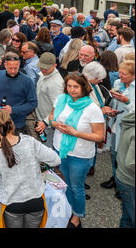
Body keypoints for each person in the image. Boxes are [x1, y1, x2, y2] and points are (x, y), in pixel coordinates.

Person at [0, 109, 61, 228]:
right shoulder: (28, 141)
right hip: (36, 201)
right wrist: (40, 167)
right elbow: (56, 159)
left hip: (13, 203)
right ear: (12, 124)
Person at [48, 73, 105, 228]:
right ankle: (65, 210)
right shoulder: (61, 99)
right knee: (62, 184)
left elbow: (100, 136)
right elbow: (52, 116)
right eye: (69, 86)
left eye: (76, 87)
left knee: (76, 187)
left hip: (80, 155)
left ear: (83, 88)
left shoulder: (92, 108)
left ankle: (77, 216)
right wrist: (55, 124)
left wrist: (75, 133)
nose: (72, 90)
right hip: (59, 149)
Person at [103, 61, 135, 196]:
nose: (120, 75)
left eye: (124, 74)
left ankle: (123, 184)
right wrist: (112, 109)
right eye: (119, 72)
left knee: (124, 156)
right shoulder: (117, 83)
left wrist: (126, 101)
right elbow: (114, 102)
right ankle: (115, 178)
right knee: (114, 152)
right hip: (115, 123)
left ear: (133, 75)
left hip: (128, 127)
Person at [0, 52, 37, 134]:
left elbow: (33, 103)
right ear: (5, 65)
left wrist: (13, 109)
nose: (13, 71)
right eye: (10, 68)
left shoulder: (27, 81)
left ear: (19, 65)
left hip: (16, 125)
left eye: (15, 68)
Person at [34, 53, 64, 149]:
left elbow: (59, 106)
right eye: (41, 67)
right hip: (41, 119)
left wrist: (45, 122)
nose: (43, 70)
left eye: (45, 68)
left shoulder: (56, 84)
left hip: (48, 125)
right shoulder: (45, 74)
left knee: (48, 150)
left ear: (55, 65)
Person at [115, 110, 135, 228]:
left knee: (127, 217)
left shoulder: (131, 118)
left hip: (123, 176)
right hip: (130, 181)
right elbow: (132, 163)